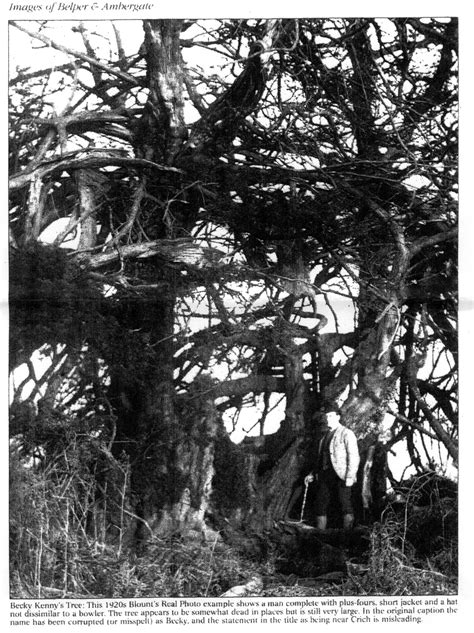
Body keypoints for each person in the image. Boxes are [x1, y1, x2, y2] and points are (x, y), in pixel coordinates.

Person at [305, 410, 360, 530]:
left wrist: (350, 476)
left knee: (345, 505)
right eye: (326, 416)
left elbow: (354, 456)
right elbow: (320, 459)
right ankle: (320, 536)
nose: (327, 418)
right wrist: (312, 474)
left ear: (338, 417)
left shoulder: (346, 433)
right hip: (325, 475)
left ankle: (347, 538)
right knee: (320, 506)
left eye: (330, 416)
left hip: (342, 476)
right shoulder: (324, 437)